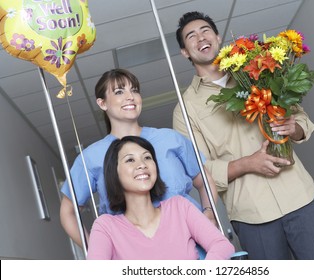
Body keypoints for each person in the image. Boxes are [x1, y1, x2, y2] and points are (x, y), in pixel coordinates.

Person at [172, 11, 314, 260]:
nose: (200, 38)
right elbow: (198, 173)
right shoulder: (185, 109)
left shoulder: (257, 71)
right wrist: (247, 164)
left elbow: (300, 117)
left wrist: (294, 127)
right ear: (185, 51)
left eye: (205, 30)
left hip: (299, 197)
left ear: (217, 36)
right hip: (251, 216)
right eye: (191, 36)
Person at [60, 68, 219, 249]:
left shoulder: (170, 139)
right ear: (102, 103)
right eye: (119, 92)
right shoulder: (90, 158)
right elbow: (68, 212)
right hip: (136, 254)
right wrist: (97, 251)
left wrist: (209, 214)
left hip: (194, 247)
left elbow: (204, 181)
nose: (130, 96)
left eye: (134, 90)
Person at [87, 136, 234, 260]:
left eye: (147, 157)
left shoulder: (179, 207)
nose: (142, 165)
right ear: (114, 172)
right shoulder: (105, 226)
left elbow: (221, 245)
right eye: (130, 160)